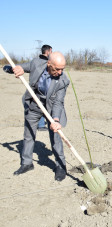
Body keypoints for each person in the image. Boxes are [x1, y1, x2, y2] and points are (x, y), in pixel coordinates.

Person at [3, 52, 70, 181]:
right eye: (57, 69)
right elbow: (20, 67)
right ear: (49, 64)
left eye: (63, 69)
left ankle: (60, 166)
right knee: (28, 135)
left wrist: (55, 119)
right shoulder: (36, 64)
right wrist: (15, 69)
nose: (60, 72)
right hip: (34, 104)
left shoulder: (63, 80)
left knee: (56, 136)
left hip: (51, 108)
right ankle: (27, 163)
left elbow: (58, 102)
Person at [37, 44, 53, 131]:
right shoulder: (45, 62)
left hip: (39, 88)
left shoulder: (36, 61)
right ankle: (41, 125)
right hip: (42, 89)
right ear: (48, 51)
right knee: (42, 106)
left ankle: (41, 123)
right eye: (51, 51)